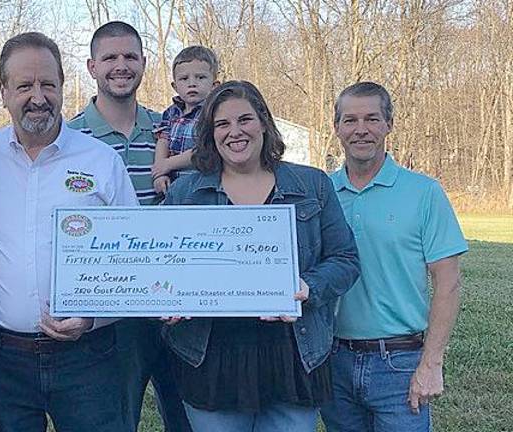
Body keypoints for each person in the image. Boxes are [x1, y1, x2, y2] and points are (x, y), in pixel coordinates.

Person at [0, 32, 138, 432]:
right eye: (24, 85)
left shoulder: (101, 161)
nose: (38, 97)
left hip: (88, 359)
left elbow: (134, 265)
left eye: (48, 85)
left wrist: (91, 319)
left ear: (62, 87)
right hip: (3, 360)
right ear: (3, 91)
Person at [161, 80, 360, 431]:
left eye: (245, 120)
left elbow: (345, 259)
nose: (234, 132)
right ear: (210, 133)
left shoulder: (312, 185)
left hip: (293, 354)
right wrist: (165, 301)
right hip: (211, 358)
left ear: (264, 123)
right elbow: (160, 268)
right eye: (222, 124)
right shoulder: (186, 192)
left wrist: (308, 287)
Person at [321, 81, 468, 432]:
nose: (361, 130)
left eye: (372, 119)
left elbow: (448, 282)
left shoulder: (424, 192)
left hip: (399, 362)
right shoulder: (322, 193)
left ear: (389, 124)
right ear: (337, 128)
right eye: (350, 120)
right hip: (333, 360)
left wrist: (431, 363)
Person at [68, 21, 192, 432]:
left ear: (143, 63)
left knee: (188, 417)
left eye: (130, 57)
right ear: (91, 66)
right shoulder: (68, 139)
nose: (120, 66)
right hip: (111, 314)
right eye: (110, 58)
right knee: (115, 420)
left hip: (177, 300)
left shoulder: (172, 134)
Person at [151, 45, 219, 194]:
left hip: (205, 186)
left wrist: (168, 164)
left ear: (214, 85)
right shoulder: (171, 113)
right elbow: (163, 140)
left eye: (200, 77)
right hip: (174, 187)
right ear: (175, 86)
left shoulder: (214, 112)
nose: (192, 83)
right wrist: (159, 173)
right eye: (184, 78)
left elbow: (206, 149)